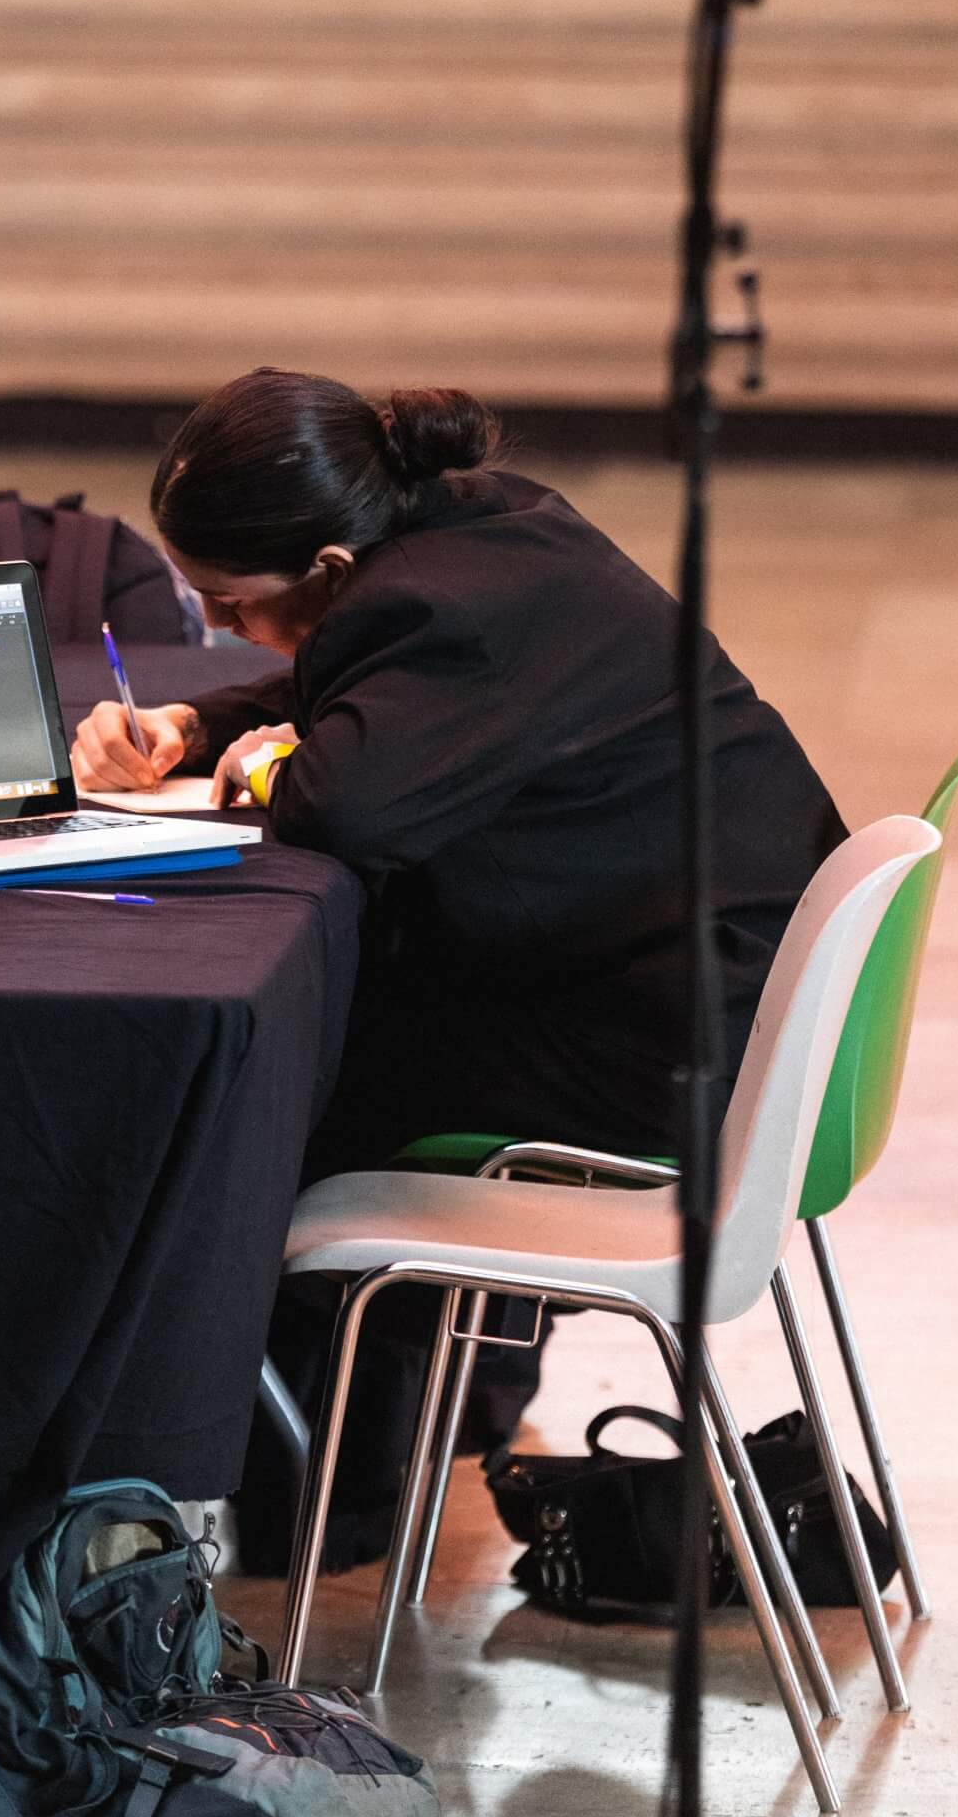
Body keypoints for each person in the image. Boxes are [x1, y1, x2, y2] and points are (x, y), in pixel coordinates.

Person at [73, 369, 846, 1564]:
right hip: (712, 987)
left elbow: (344, 808)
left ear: (331, 567)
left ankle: (293, 1498)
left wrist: (273, 764)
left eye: (230, 604)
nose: (220, 626)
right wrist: (199, 724)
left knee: (243, 1082)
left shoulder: (439, 609)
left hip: (672, 1048)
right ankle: (329, 1460)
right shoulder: (479, 521)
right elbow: (352, 691)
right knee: (312, 1033)